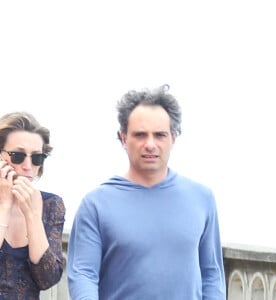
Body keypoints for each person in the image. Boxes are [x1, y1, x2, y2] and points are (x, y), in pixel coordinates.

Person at [67, 85, 226, 299]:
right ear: (123, 138)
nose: (150, 144)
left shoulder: (202, 198)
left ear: (174, 138)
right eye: (140, 135)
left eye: (160, 135)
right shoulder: (96, 204)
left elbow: (212, 273)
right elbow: (83, 275)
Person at [0, 112, 66, 299]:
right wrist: (4, 206)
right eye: (18, 156)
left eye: (37, 157)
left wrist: (31, 214)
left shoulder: (51, 205)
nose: (28, 166)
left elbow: (47, 279)